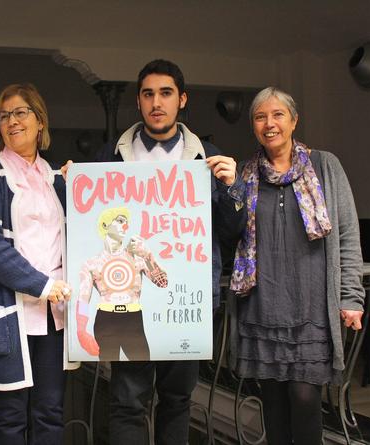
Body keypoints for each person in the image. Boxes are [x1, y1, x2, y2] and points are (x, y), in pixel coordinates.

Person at [96, 59, 246, 445]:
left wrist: (233, 189)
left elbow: (232, 232)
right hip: (127, 301)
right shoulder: (111, 157)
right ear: (138, 101)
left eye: (165, 93)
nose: (156, 102)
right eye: (148, 94)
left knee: (178, 401)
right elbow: (92, 225)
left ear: (182, 99)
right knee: (127, 402)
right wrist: (71, 183)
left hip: (186, 302)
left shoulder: (208, 157)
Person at [230, 86, 365, 445]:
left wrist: (351, 296)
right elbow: (230, 233)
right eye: (260, 117)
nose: (269, 124)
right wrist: (228, 191)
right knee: (273, 405)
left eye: (278, 115)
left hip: (311, 309)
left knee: (305, 399)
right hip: (262, 307)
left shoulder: (325, 166)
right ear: (253, 125)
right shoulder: (244, 174)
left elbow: (348, 234)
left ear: (294, 121)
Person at [0, 83, 76, 445]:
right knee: (8, 418)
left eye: (20, 112)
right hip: (9, 315)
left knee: (50, 413)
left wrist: (81, 186)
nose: (12, 121)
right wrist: (43, 285)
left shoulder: (57, 177)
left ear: (40, 121)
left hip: (54, 316)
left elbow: (90, 228)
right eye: (4, 115)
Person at [77, 206, 168, 361]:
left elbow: (163, 283)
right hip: (105, 319)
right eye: (120, 221)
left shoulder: (137, 256)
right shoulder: (91, 264)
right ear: (105, 225)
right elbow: (83, 299)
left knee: (141, 366)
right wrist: (81, 330)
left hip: (133, 318)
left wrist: (147, 254)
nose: (125, 226)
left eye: (126, 222)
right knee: (109, 366)